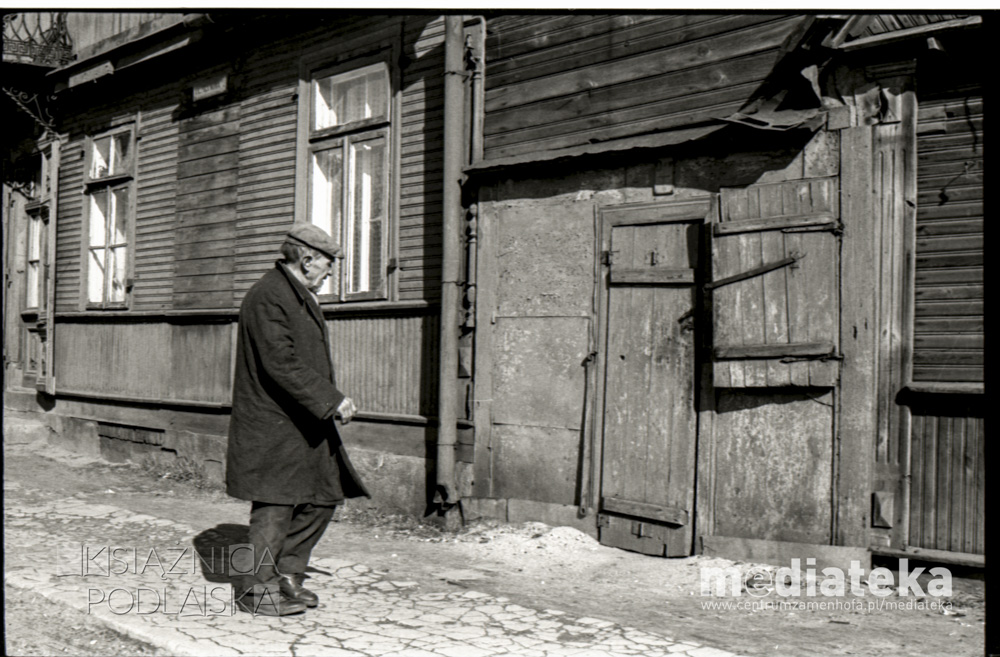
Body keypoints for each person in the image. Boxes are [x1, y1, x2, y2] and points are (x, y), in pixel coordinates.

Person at [226, 223, 370, 616]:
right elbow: (281, 363)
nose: (330, 272)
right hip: (273, 422)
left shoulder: (295, 294)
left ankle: (287, 575)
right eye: (328, 264)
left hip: (302, 421)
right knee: (274, 507)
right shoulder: (269, 296)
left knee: (323, 496)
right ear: (307, 260)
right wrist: (331, 399)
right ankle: (255, 591)